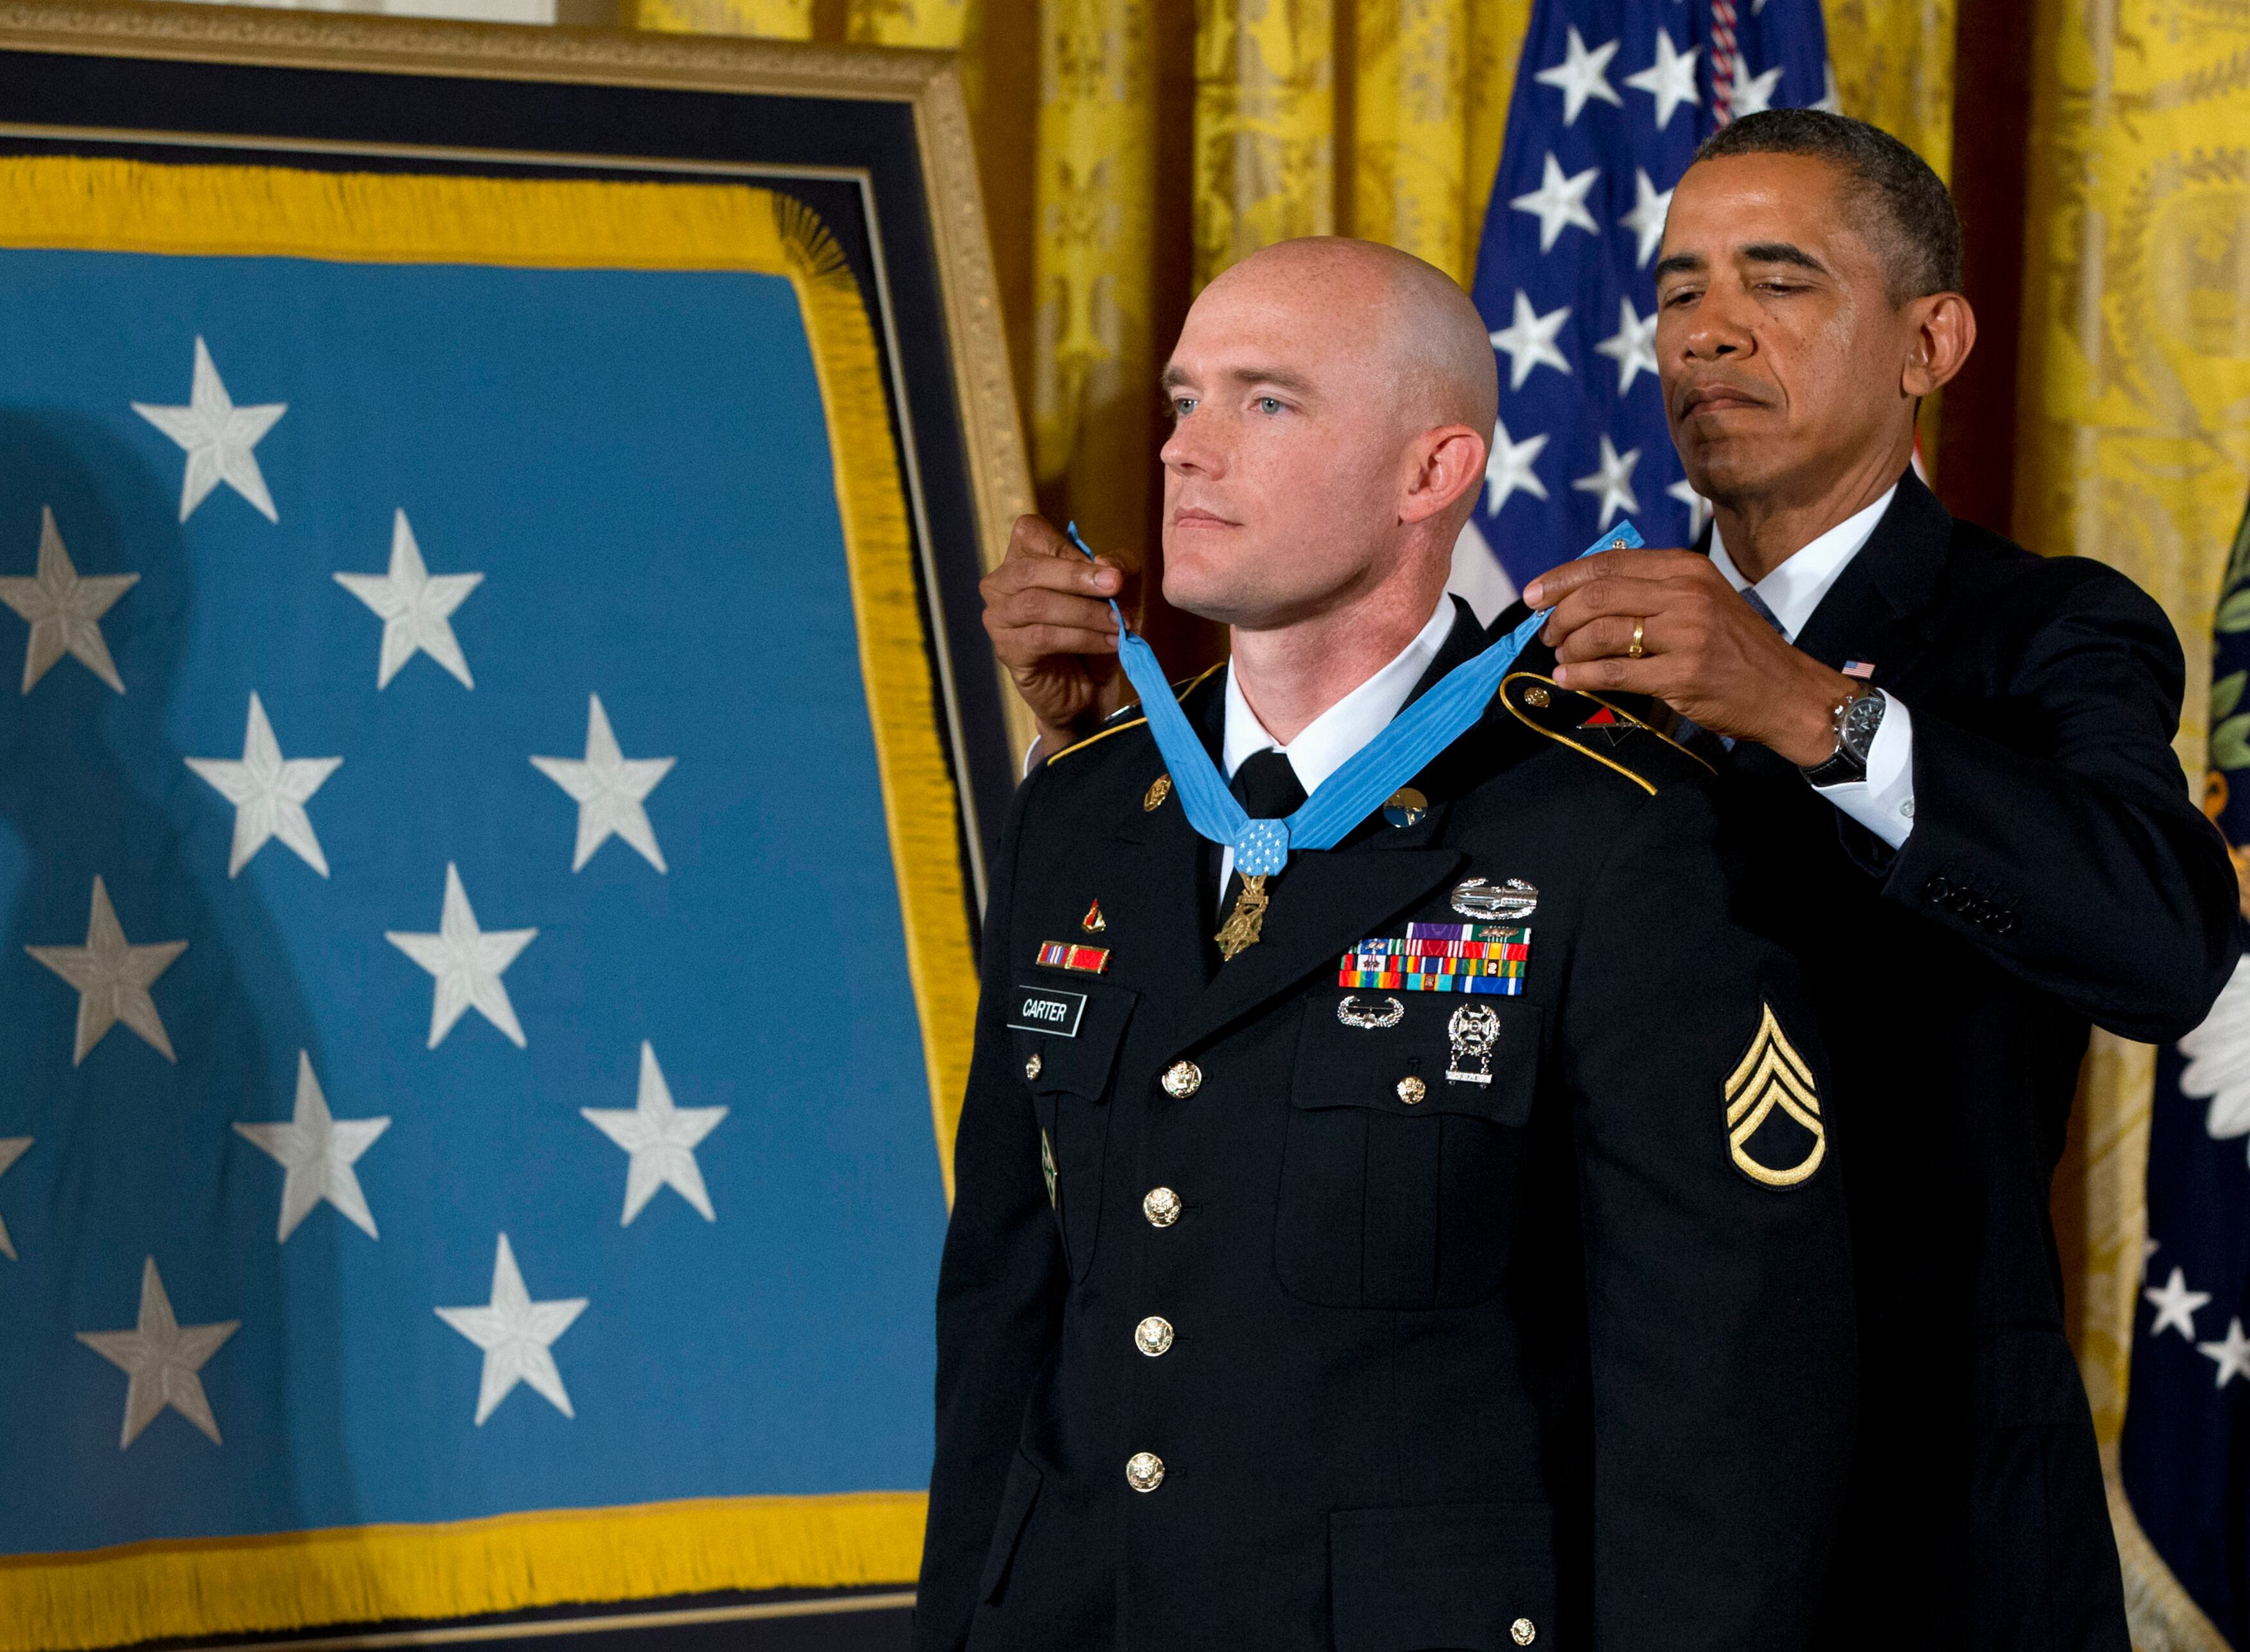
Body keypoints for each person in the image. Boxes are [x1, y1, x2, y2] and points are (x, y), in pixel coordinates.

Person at [975, 110, 2243, 1650]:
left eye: (1779, 282)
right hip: (1608, 1506)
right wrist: (1135, 772)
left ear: (1931, 340)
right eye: (1678, 288)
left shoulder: (2038, 633)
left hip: (1930, 1515)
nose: (1709, 330)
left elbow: (2166, 940)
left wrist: (1805, 711)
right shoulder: (1556, 656)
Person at [917, 236, 1855, 1652]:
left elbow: (1716, 1396)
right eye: (1184, 399)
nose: (1187, 451)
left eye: (1266, 401)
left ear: (1434, 473)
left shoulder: (1610, 832)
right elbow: (1002, 1300)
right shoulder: (1091, 801)